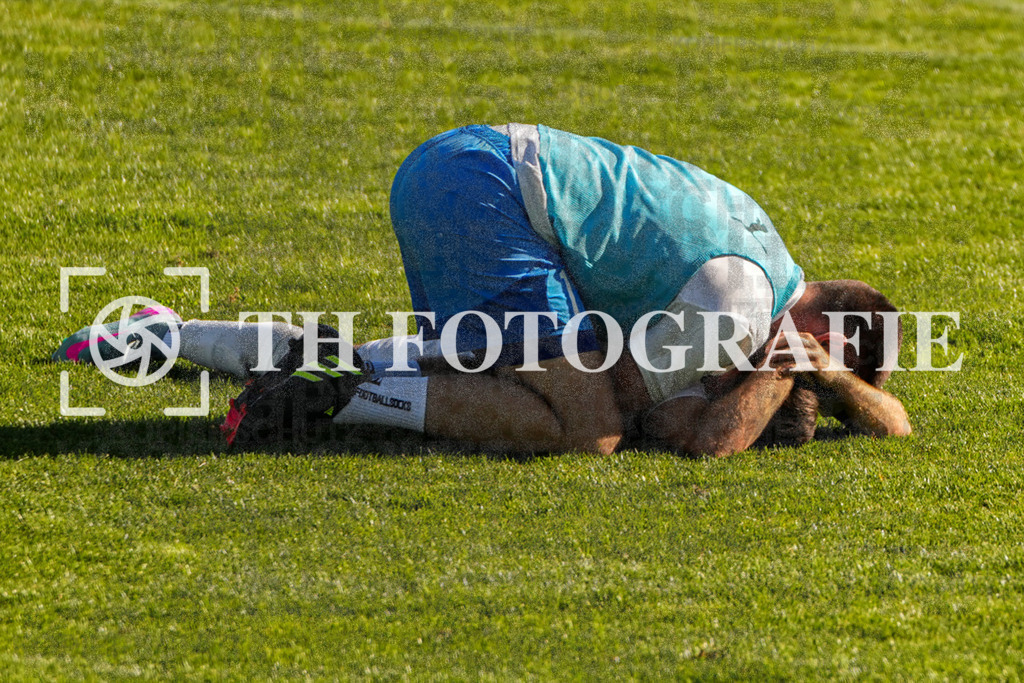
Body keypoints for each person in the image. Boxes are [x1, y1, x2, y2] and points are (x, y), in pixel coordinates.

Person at [54, 123, 911, 454]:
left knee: (481, 367)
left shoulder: (762, 245)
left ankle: (164, 335)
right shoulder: (741, 304)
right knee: (582, 426)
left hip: (465, 168)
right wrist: (777, 375)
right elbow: (655, 417)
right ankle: (342, 396)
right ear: (820, 336)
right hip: (489, 195)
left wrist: (825, 381)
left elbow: (895, 423)